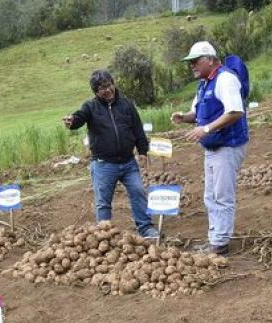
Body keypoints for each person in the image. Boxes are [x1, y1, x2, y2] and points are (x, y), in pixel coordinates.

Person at [171, 41, 249, 255]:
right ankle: (215, 238)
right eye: (190, 62)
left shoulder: (225, 79)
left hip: (228, 145)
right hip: (213, 147)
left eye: (195, 61)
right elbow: (198, 113)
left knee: (222, 195)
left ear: (209, 60)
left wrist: (206, 129)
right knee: (211, 195)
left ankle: (220, 242)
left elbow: (235, 112)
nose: (191, 66)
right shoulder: (205, 83)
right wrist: (184, 118)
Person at [63, 69, 159, 238]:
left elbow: (137, 128)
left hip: (128, 162)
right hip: (103, 164)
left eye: (108, 85)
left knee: (138, 192)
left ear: (113, 84)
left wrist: (142, 151)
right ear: (95, 92)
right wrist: (72, 121)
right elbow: (80, 117)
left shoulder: (126, 104)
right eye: (101, 88)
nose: (107, 90)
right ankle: (104, 234)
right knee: (103, 202)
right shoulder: (90, 107)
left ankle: (145, 227)